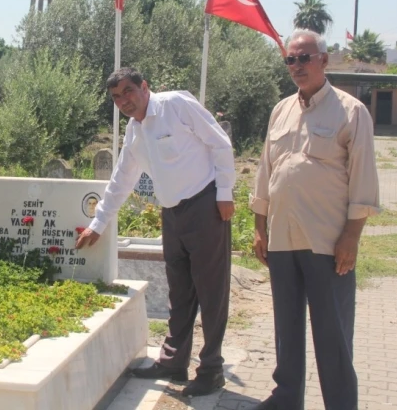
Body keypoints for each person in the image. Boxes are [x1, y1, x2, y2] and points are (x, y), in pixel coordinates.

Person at [76, 67, 236, 397]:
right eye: (116, 97)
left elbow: (219, 143)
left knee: (211, 293)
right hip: (172, 214)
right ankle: (173, 361)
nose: (124, 101)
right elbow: (122, 178)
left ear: (144, 87)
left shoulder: (177, 105)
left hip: (205, 206)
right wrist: (98, 223)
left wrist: (225, 194)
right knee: (179, 292)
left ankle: (211, 369)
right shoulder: (135, 131)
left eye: (128, 92)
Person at [249, 29, 380, 410]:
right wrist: (259, 227)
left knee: (332, 334)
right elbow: (265, 171)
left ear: (324, 60)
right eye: (291, 59)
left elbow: (363, 182)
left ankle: (340, 404)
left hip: (327, 241)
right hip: (283, 239)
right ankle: (286, 398)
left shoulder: (351, 112)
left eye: (305, 57)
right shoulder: (280, 110)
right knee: (286, 329)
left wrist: (351, 237)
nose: (297, 66)